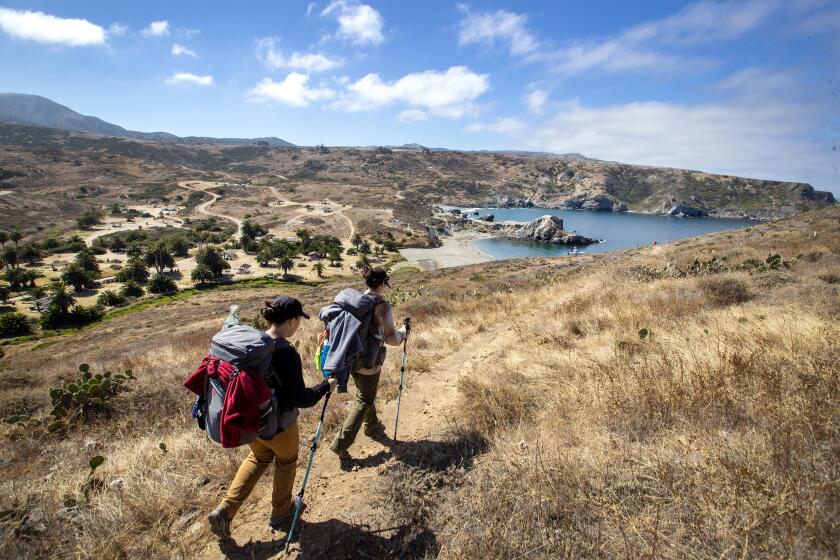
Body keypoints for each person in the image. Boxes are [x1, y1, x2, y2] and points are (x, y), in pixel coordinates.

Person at [208, 296, 336, 538]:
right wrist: (325, 387)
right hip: (280, 425)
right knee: (286, 462)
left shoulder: (255, 344)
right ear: (291, 320)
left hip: (252, 421)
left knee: (258, 456)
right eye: (298, 320)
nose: (298, 324)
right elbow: (301, 398)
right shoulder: (286, 353)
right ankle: (282, 513)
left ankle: (225, 510)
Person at [329, 267, 407, 459]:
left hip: (349, 358)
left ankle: (371, 426)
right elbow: (391, 338)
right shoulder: (382, 306)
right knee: (364, 399)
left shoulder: (354, 301)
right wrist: (404, 332)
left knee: (365, 393)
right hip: (370, 362)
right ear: (382, 284)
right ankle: (340, 443)